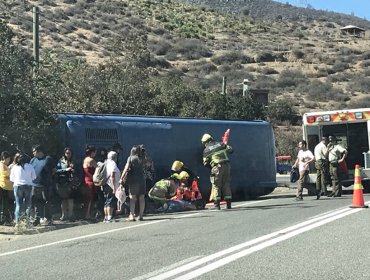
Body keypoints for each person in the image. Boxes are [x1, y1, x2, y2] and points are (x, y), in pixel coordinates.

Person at [201, 133, 233, 210]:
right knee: (226, 184)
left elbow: (205, 163)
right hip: (227, 166)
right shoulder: (221, 144)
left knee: (216, 185)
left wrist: (212, 168)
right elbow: (231, 150)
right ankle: (228, 204)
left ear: (205, 142)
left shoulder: (206, 150)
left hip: (217, 167)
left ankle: (217, 205)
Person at [30, 145, 55, 226]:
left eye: (34, 151)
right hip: (35, 184)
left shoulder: (48, 159)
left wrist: (48, 178)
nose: (33, 153)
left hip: (45, 185)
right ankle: (37, 218)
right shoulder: (33, 160)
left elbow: (53, 170)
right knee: (36, 202)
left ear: (39, 151)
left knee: (46, 201)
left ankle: (49, 218)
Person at [120, 145, 146, 221]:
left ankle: (132, 215)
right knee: (141, 197)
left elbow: (126, 168)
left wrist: (121, 178)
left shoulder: (131, 158)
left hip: (133, 180)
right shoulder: (143, 158)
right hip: (142, 180)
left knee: (132, 197)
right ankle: (141, 215)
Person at [10, 154, 36, 225]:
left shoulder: (14, 167)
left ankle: (18, 222)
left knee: (18, 204)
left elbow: (11, 179)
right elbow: (34, 177)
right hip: (28, 186)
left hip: (18, 186)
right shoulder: (30, 166)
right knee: (27, 204)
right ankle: (26, 221)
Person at [56, 147, 76, 221]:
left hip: (71, 182)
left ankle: (70, 215)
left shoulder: (73, 161)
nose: (68, 155)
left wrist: (73, 170)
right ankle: (64, 215)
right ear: (64, 153)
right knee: (63, 199)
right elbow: (56, 170)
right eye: (67, 153)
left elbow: (78, 171)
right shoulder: (61, 161)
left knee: (70, 199)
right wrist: (65, 170)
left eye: (69, 153)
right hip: (62, 182)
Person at [103, 151, 120, 223]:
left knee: (107, 201)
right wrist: (114, 187)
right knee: (111, 200)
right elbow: (112, 175)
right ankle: (109, 217)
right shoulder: (113, 164)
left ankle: (106, 217)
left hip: (105, 184)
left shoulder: (106, 162)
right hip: (111, 184)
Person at [0, 151, 14, 225]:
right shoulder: (2, 165)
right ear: (4, 158)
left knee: (5, 204)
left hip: (6, 187)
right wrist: (11, 176)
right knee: (3, 204)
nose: (9, 161)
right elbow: (4, 175)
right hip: (3, 186)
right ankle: (3, 219)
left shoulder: (5, 165)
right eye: (8, 159)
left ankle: (5, 219)